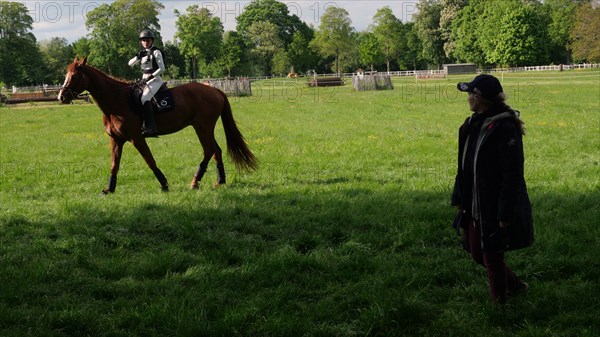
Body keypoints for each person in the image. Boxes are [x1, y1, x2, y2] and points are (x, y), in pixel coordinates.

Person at [451, 74, 534, 304]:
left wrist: (506, 213)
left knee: (492, 255)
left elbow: (513, 173)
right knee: (478, 252)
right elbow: (463, 164)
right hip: (473, 199)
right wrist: (458, 194)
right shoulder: (470, 125)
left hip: (493, 202)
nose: (467, 98)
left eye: (470, 94)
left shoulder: (504, 127)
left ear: (479, 99)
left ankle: (499, 306)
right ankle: (517, 286)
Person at [128, 29, 165, 137]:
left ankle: (152, 127)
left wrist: (151, 76)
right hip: (144, 79)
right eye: (143, 40)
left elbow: (162, 69)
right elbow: (130, 64)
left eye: (147, 40)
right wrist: (137, 56)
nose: (145, 42)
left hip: (155, 79)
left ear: (151, 41)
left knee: (144, 98)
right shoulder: (143, 53)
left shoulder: (156, 52)